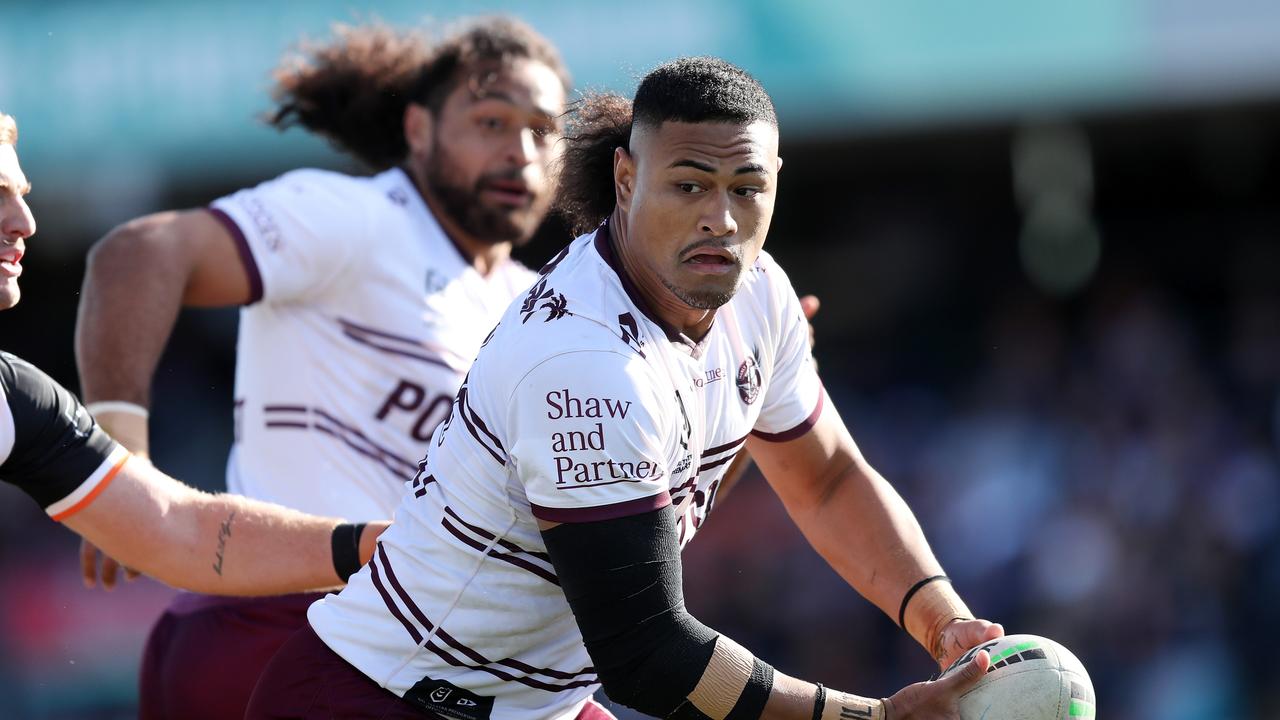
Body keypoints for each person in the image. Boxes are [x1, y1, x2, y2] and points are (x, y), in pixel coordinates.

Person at [246, 57, 1002, 720]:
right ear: (626, 179)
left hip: (534, 704)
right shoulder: (582, 361)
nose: (722, 218)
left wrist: (947, 630)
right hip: (380, 698)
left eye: (748, 188)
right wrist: (874, 719)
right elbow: (647, 655)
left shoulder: (760, 293)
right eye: (690, 184)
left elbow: (829, 481)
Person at [73, 16, 580, 720]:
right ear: (419, 130)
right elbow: (139, 254)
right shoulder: (358, 217)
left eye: (542, 129)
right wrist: (120, 464)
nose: (520, 152)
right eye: (491, 121)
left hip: (440, 662)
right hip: (279, 632)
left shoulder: (540, 306)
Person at [0, 113, 384, 596]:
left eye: (23, 196)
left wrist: (387, 548)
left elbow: (182, 532)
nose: (25, 223)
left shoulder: (14, 398)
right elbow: (134, 253)